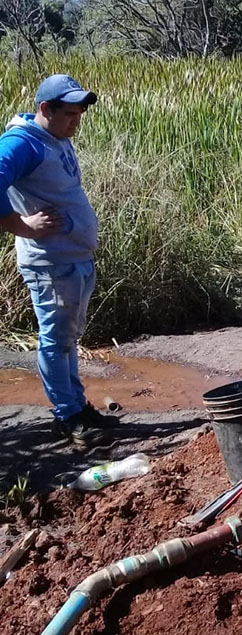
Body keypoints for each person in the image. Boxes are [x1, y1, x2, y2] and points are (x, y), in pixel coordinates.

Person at [0, 74, 118, 445]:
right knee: (55, 340)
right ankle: (67, 416)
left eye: (79, 115)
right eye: (69, 114)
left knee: (67, 339)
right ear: (44, 109)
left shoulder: (54, 138)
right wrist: (21, 225)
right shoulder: (22, 143)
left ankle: (76, 407)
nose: (76, 122)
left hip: (72, 259)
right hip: (51, 264)